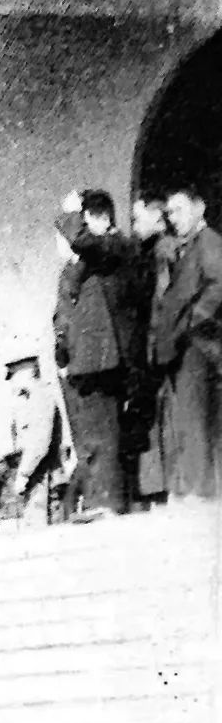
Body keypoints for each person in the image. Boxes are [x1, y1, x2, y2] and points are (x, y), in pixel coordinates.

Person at [53, 189, 137, 518]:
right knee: (91, 434)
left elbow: (81, 242)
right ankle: (97, 500)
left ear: (97, 219)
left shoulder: (114, 245)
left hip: (105, 357)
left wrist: (70, 213)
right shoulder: (91, 259)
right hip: (87, 360)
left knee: (105, 432)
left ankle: (107, 501)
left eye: (85, 222)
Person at [152, 184, 222, 501]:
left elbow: (218, 285)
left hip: (199, 345)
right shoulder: (184, 247)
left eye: (179, 210)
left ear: (200, 208)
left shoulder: (208, 242)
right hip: (184, 346)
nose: (173, 218)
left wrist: (192, 321)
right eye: (169, 213)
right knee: (187, 417)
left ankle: (200, 489)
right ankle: (193, 486)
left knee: (195, 417)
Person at [125, 196, 177, 505]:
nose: (134, 226)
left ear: (157, 218)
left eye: (137, 219)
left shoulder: (164, 250)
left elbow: (163, 303)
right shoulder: (148, 252)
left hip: (159, 351)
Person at [0, 356, 69, 534]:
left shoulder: (40, 397)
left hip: (43, 476)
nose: (12, 382)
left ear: (27, 371)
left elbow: (40, 442)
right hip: (35, 476)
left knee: (39, 531)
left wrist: (23, 474)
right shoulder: (28, 399)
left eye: (14, 375)